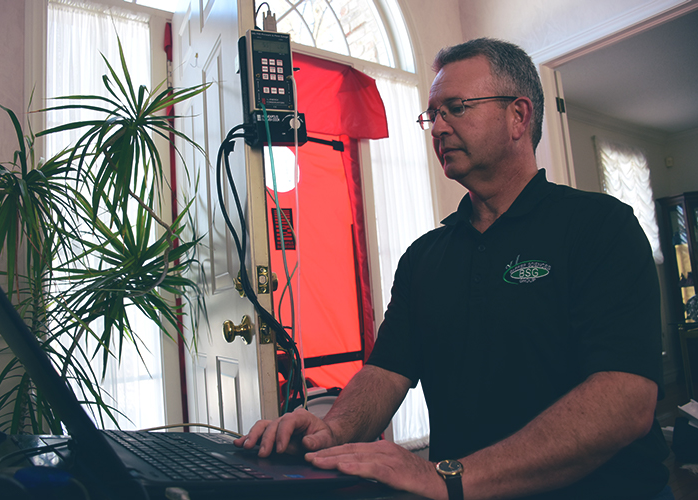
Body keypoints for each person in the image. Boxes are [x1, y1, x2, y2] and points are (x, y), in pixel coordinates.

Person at [234, 38, 671, 500]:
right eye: (432, 114)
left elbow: (626, 398)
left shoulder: (600, 226)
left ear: (518, 116)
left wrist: (452, 477)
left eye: (456, 108)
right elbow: (386, 372)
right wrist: (331, 429)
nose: (437, 127)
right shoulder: (424, 257)